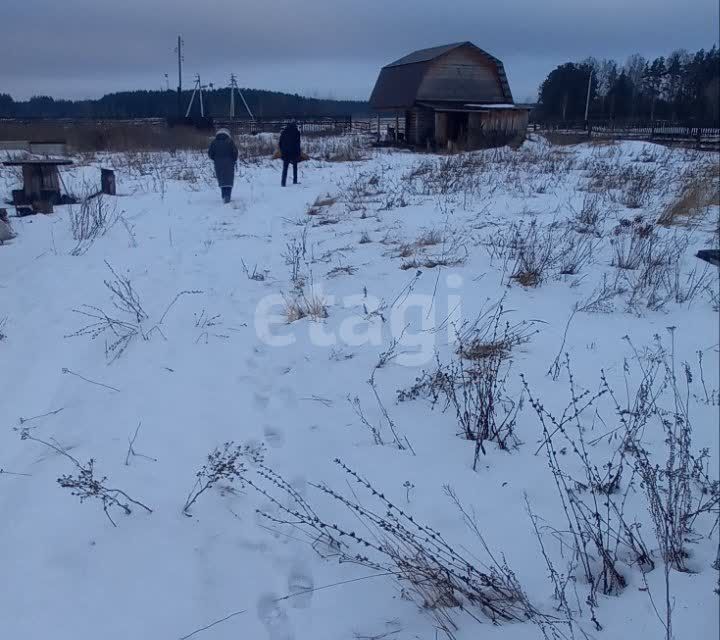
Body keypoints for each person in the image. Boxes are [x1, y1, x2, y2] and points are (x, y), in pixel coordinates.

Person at [208, 128, 238, 203]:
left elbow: (210, 153)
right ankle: (228, 196)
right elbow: (235, 152)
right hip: (229, 163)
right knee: (228, 180)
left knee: (221, 179)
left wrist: (215, 159)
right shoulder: (230, 141)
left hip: (218, 163)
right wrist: (234, 159)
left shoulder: (214, 142)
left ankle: (224, 196)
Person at [278, 121, 302, 187]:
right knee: (295, 167)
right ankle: (295, 180)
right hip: (294, 152)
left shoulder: (284, 132)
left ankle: (283, 183)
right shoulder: (296, 132)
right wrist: (299, 153)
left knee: (285, 168)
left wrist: (282, 151)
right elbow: (297, 144)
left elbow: (280, 143)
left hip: (285, 153)